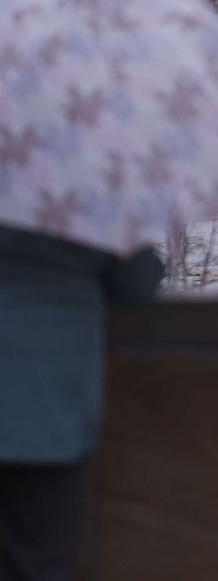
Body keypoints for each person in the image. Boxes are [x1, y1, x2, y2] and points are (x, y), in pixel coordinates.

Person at [0, 228, 163, 580]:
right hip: (44, 410)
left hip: (44, 410)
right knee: (39, 564)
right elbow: (138, 283)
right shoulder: (83, 203)